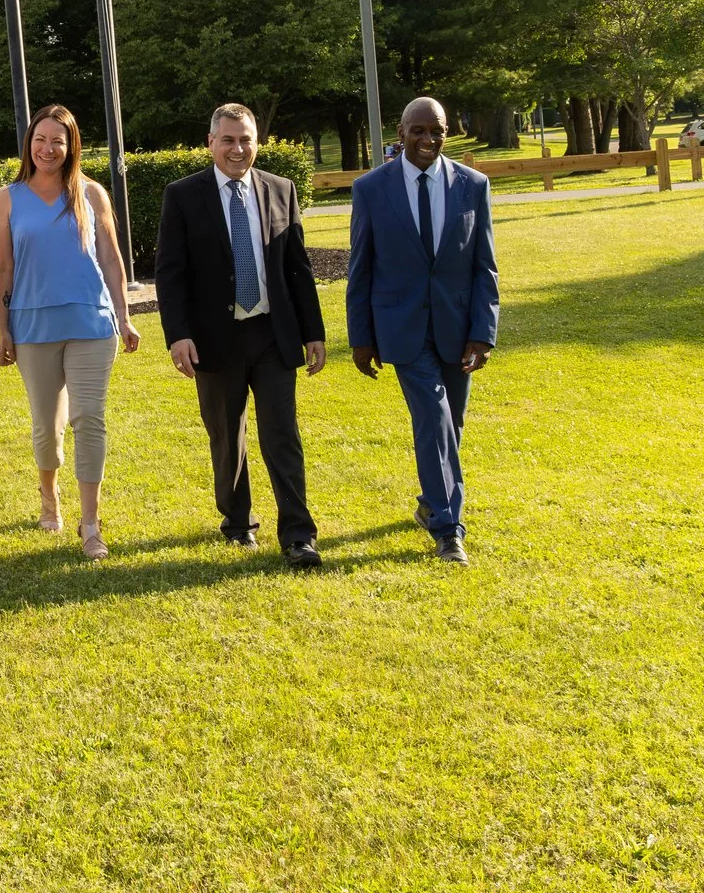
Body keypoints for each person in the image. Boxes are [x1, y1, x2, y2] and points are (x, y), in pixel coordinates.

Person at [154, 103, 327, 569]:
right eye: (228, 140)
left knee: (281, 435)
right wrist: (178, 335)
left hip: (272, 334)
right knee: (226, 437)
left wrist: (313, 331)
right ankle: (237, 523)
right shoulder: (183, 195)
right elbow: (170, 275)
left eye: (245, 139)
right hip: (214, 338)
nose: (237, 149)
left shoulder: (280, 189)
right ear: (210, 143)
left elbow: (297, 268)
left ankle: (298, 535)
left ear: (257, 141)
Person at [345, 96, 500, 565]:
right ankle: (449, 529)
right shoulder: (371, 189)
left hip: (458, 328)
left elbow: (484, 267)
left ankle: (431, 501)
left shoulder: (473, 185)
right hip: (402, 328)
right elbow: (361, 267)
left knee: (450, 423)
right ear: (400, 132)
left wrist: (483, 331)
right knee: (433, 418)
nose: (428, 139)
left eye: (437, 131)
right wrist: (361, 337)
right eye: (418, 130)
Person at [0, 104, 136, 559]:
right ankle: (49, 496)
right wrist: (3, 328)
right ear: (28, 144)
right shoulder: (7, 198)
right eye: (40, 139)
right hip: (33, 326)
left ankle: (90, 522)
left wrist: (125, 316)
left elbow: (111, 259)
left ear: (71, 145)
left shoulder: (91, 194)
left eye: (58, 140)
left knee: (88, 417)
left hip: (91, 322)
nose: (47, 148)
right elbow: (4, 270)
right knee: (46, 425)